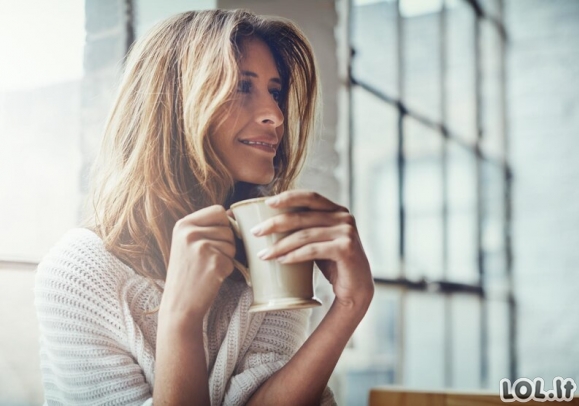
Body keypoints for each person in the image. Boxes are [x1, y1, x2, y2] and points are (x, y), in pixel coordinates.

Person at [34, 9, 374, 406]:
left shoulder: (269, 252)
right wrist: (180, 318)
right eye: (242, 88)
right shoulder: (78, 274)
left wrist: (350, 305)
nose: (276, 115)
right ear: (176, 106)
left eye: (275, 91)